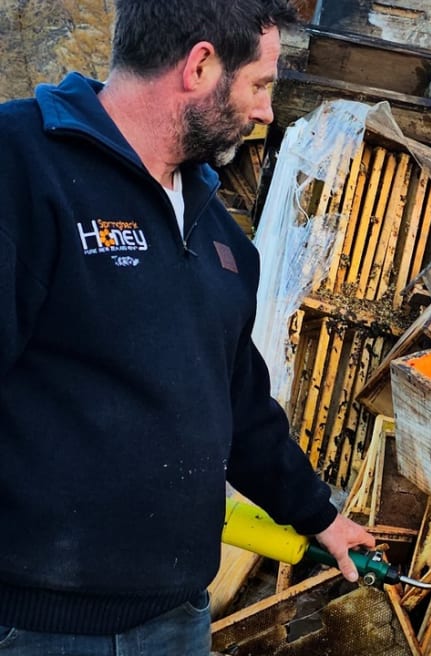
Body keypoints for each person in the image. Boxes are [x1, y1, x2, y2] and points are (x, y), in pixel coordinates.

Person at [0, 0, 376, 652]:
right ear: (200, 65)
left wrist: (318, 515)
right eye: (260, 84)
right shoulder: (21, 165)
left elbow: (239, 404)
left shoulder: (221, 235)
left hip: (177, 621)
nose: (265, 112)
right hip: (40, 626)